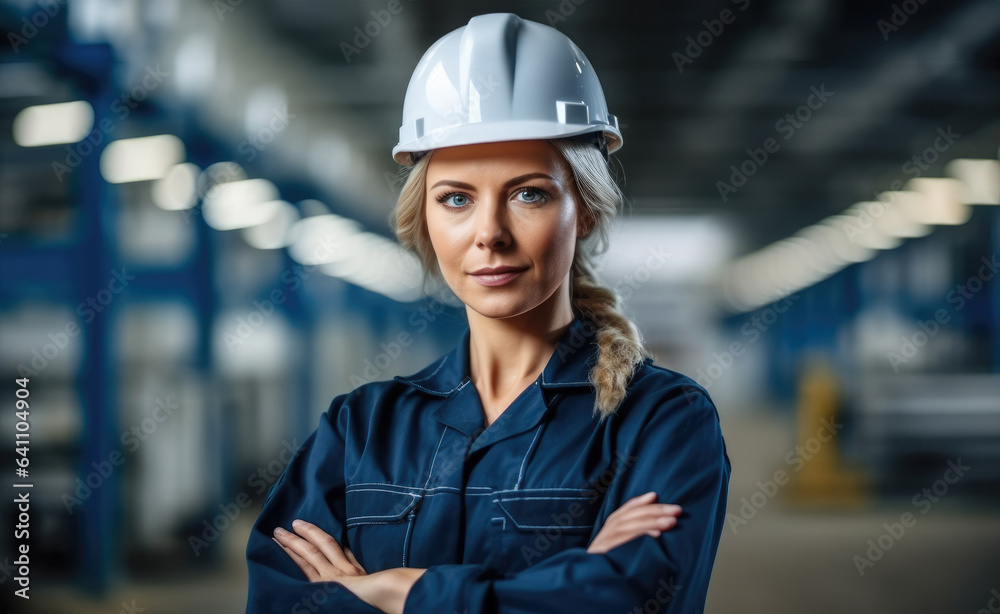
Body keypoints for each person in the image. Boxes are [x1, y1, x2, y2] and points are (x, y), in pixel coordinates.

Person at [245, 12, 730, 614]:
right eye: (456, 199)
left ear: (587, 212)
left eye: (529, 193)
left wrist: (398, 591)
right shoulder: (362, 428)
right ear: (424, 218)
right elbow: (279, 602)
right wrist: (567, 585)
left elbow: (630, 603)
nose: (490, 234)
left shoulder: (660, 423)